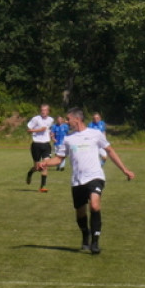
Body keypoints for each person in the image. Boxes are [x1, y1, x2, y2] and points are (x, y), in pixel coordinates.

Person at [36, 108, 135, 255]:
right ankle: (85, 235)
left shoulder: (95, 134)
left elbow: (110, 151)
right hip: (77, 181)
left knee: (95, 206)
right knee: (80, 213)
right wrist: (46, 163)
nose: (66, 121)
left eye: (68, 119)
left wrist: (124, 169)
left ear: (77, 119)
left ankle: (95, 243)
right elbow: (59, 159)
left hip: (95, 177)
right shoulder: (68, 139)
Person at [25, 103, 54, 192]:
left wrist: (51, 134)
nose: (43, 112)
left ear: (48, 111)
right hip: (36, 144)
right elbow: (28, 130)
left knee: (45, 165)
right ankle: (30, 173)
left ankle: (42, 187)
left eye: (45, 110)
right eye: (42, 110)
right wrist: (38, 130)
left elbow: (48, 129)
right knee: (37, 168)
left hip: (46, 144)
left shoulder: (51, 119)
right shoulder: (35, 119)